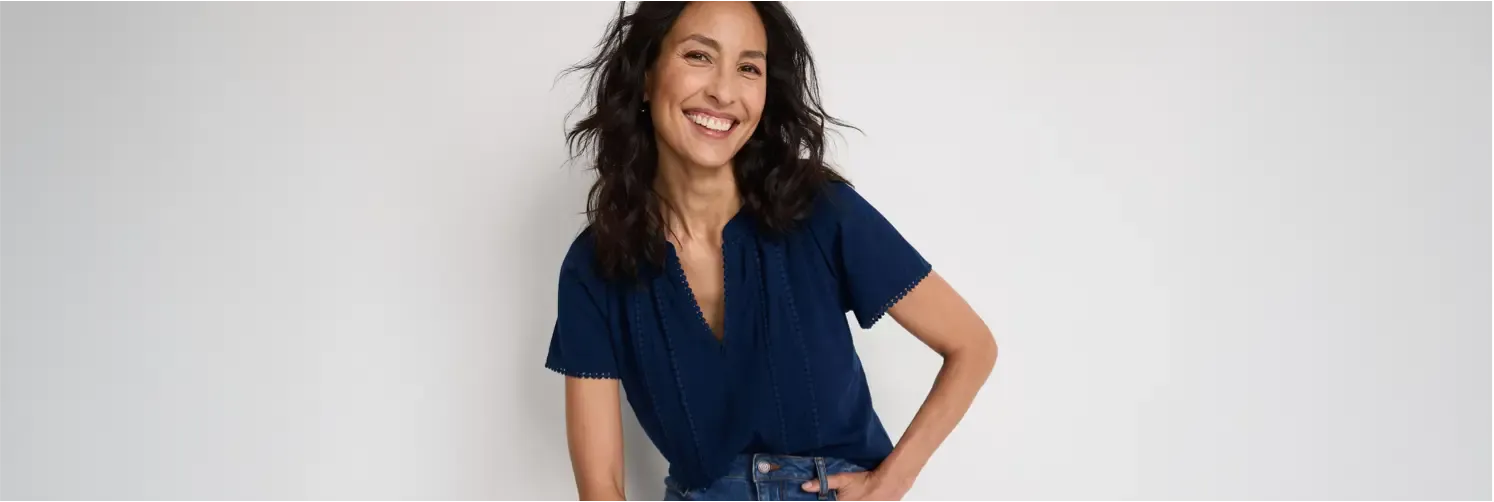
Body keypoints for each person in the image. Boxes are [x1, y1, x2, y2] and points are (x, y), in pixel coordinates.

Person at [546, 1, 997, 500]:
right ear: (646, 76)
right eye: (699, 56)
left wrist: (894, 479)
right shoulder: (595, 264)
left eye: (748, 68)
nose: (723, 91)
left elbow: (972, 346)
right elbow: (601, 486)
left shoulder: (823, 213)